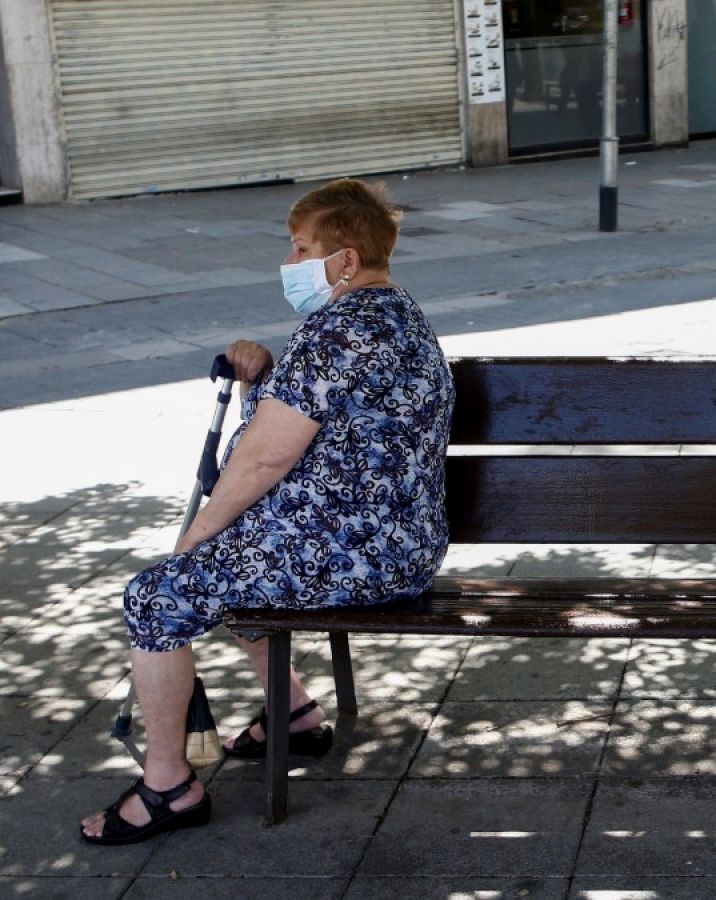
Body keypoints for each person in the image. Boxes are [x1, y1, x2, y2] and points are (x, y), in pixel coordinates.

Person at [79, 179, 456, 844]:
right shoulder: (397, 315)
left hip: (352, 553)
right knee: (230, 562)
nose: (289, 262)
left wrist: (195, 537)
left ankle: (169, 787)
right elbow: (324, 423)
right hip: (396, 544)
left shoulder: (340, 332)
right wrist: (263, 377)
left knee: (157, 595)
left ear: (344, 260)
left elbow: (264, 459)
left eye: (301, 248)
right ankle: (294, 714)